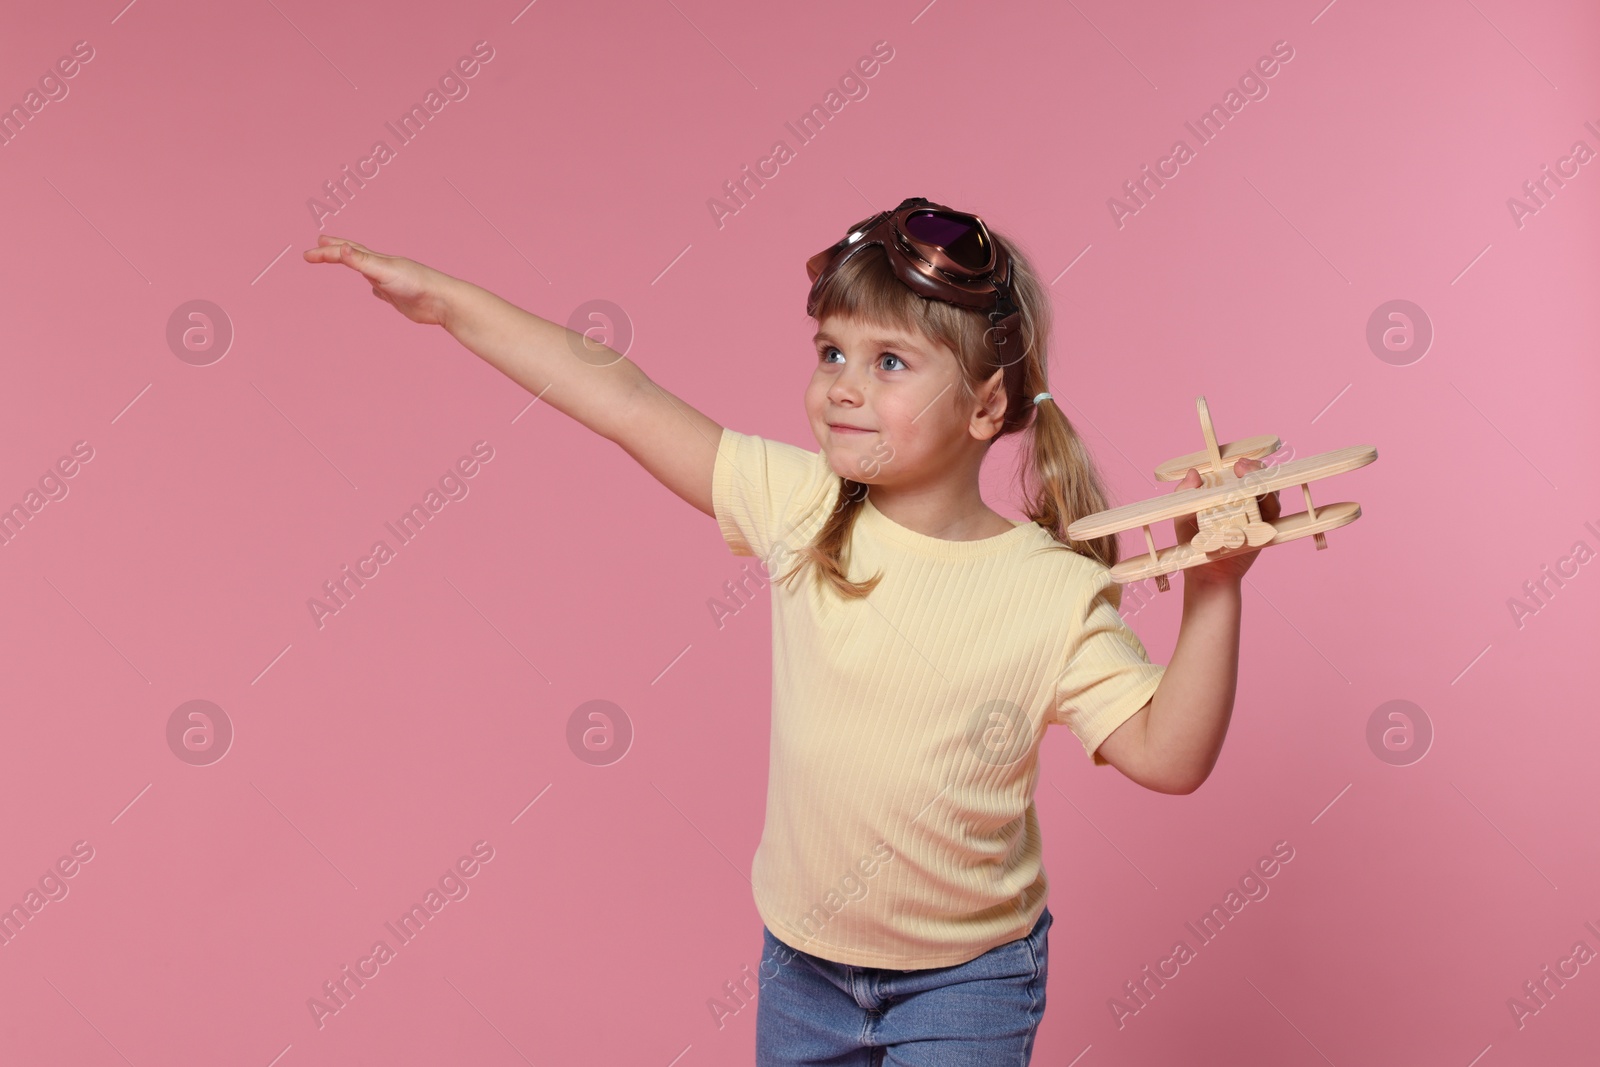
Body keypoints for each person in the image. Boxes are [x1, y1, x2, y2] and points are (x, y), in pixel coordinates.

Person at [304, 196, 1280, 1065]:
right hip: (802, 967)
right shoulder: (803, 506)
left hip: (965, 983)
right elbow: (621, 395)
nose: (842, 385)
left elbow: (1167, 753)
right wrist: (445, 302)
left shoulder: (1049, 589)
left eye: (888, 360)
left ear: (987, 404)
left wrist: (1215, 589)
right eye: (831, 353)